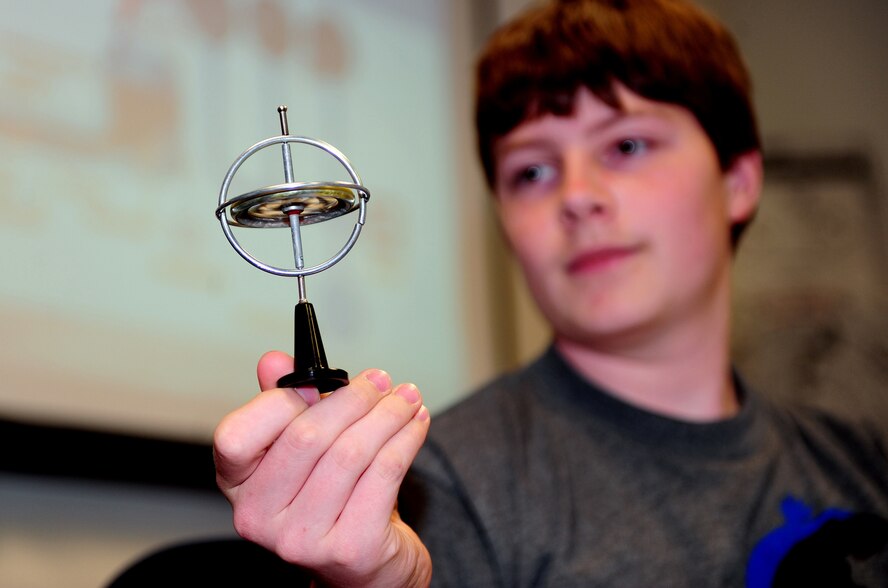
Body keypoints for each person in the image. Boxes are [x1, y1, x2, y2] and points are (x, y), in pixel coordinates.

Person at [212, 0, 888, 586]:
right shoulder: (436, 491)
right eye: (532, 170)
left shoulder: (865, 462)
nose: (577, 198)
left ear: (739, 181)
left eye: (625, 146)